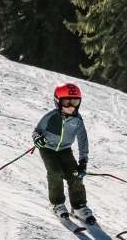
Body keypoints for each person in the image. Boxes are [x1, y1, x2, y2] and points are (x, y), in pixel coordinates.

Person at [32, 83, 96, 224]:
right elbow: (37, 131)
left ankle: (78, 206)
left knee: (75, 175)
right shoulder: (50, 117)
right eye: (66, 102)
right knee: (55, 173)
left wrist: (83, 161)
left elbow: (82, 141)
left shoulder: (77, 120)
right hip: (48, 149)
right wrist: (38, 139)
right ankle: (57, 203)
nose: (71, 106)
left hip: (65, 150)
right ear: (58, 102)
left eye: (75, 102)